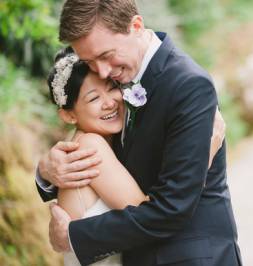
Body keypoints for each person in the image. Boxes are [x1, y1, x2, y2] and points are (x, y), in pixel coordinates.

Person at [36, 0, 242, 265]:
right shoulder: (117, 83)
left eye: (106, 55)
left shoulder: (187, 85)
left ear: (136, 26)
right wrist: (44, 172)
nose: (102, 71)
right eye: (90, 62)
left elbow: (172, 208)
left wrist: (74, 237)